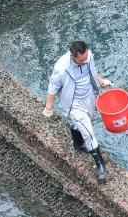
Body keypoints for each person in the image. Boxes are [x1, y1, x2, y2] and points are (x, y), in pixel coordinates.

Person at [42, 40, 114, 181]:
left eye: (86, 58)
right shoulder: (61, 68)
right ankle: (100, 164)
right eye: (81, 60)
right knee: (88, 130)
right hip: (73, 102)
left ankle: (78, 143)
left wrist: (102, 81)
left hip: (88, 96)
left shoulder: (88, 56)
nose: (85, 61)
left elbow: (93, 71)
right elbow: (53, 86)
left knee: (85, 121)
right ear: (73, 56)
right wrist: (48, 106)